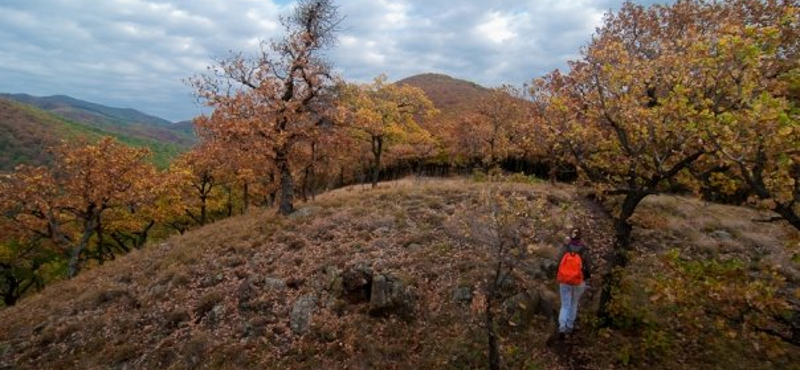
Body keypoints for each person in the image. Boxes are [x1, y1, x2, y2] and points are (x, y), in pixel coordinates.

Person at [556, 228, 592, 339]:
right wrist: (586, 277)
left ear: (570, 236)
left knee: (565, 304)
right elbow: (589, 267)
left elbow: (558, 262)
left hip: (565, 280)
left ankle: (562, 326)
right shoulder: (584, 250)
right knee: (574, 303)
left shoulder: (565, 249)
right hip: (578, 281)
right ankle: (570, 326)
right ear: (580, 237)